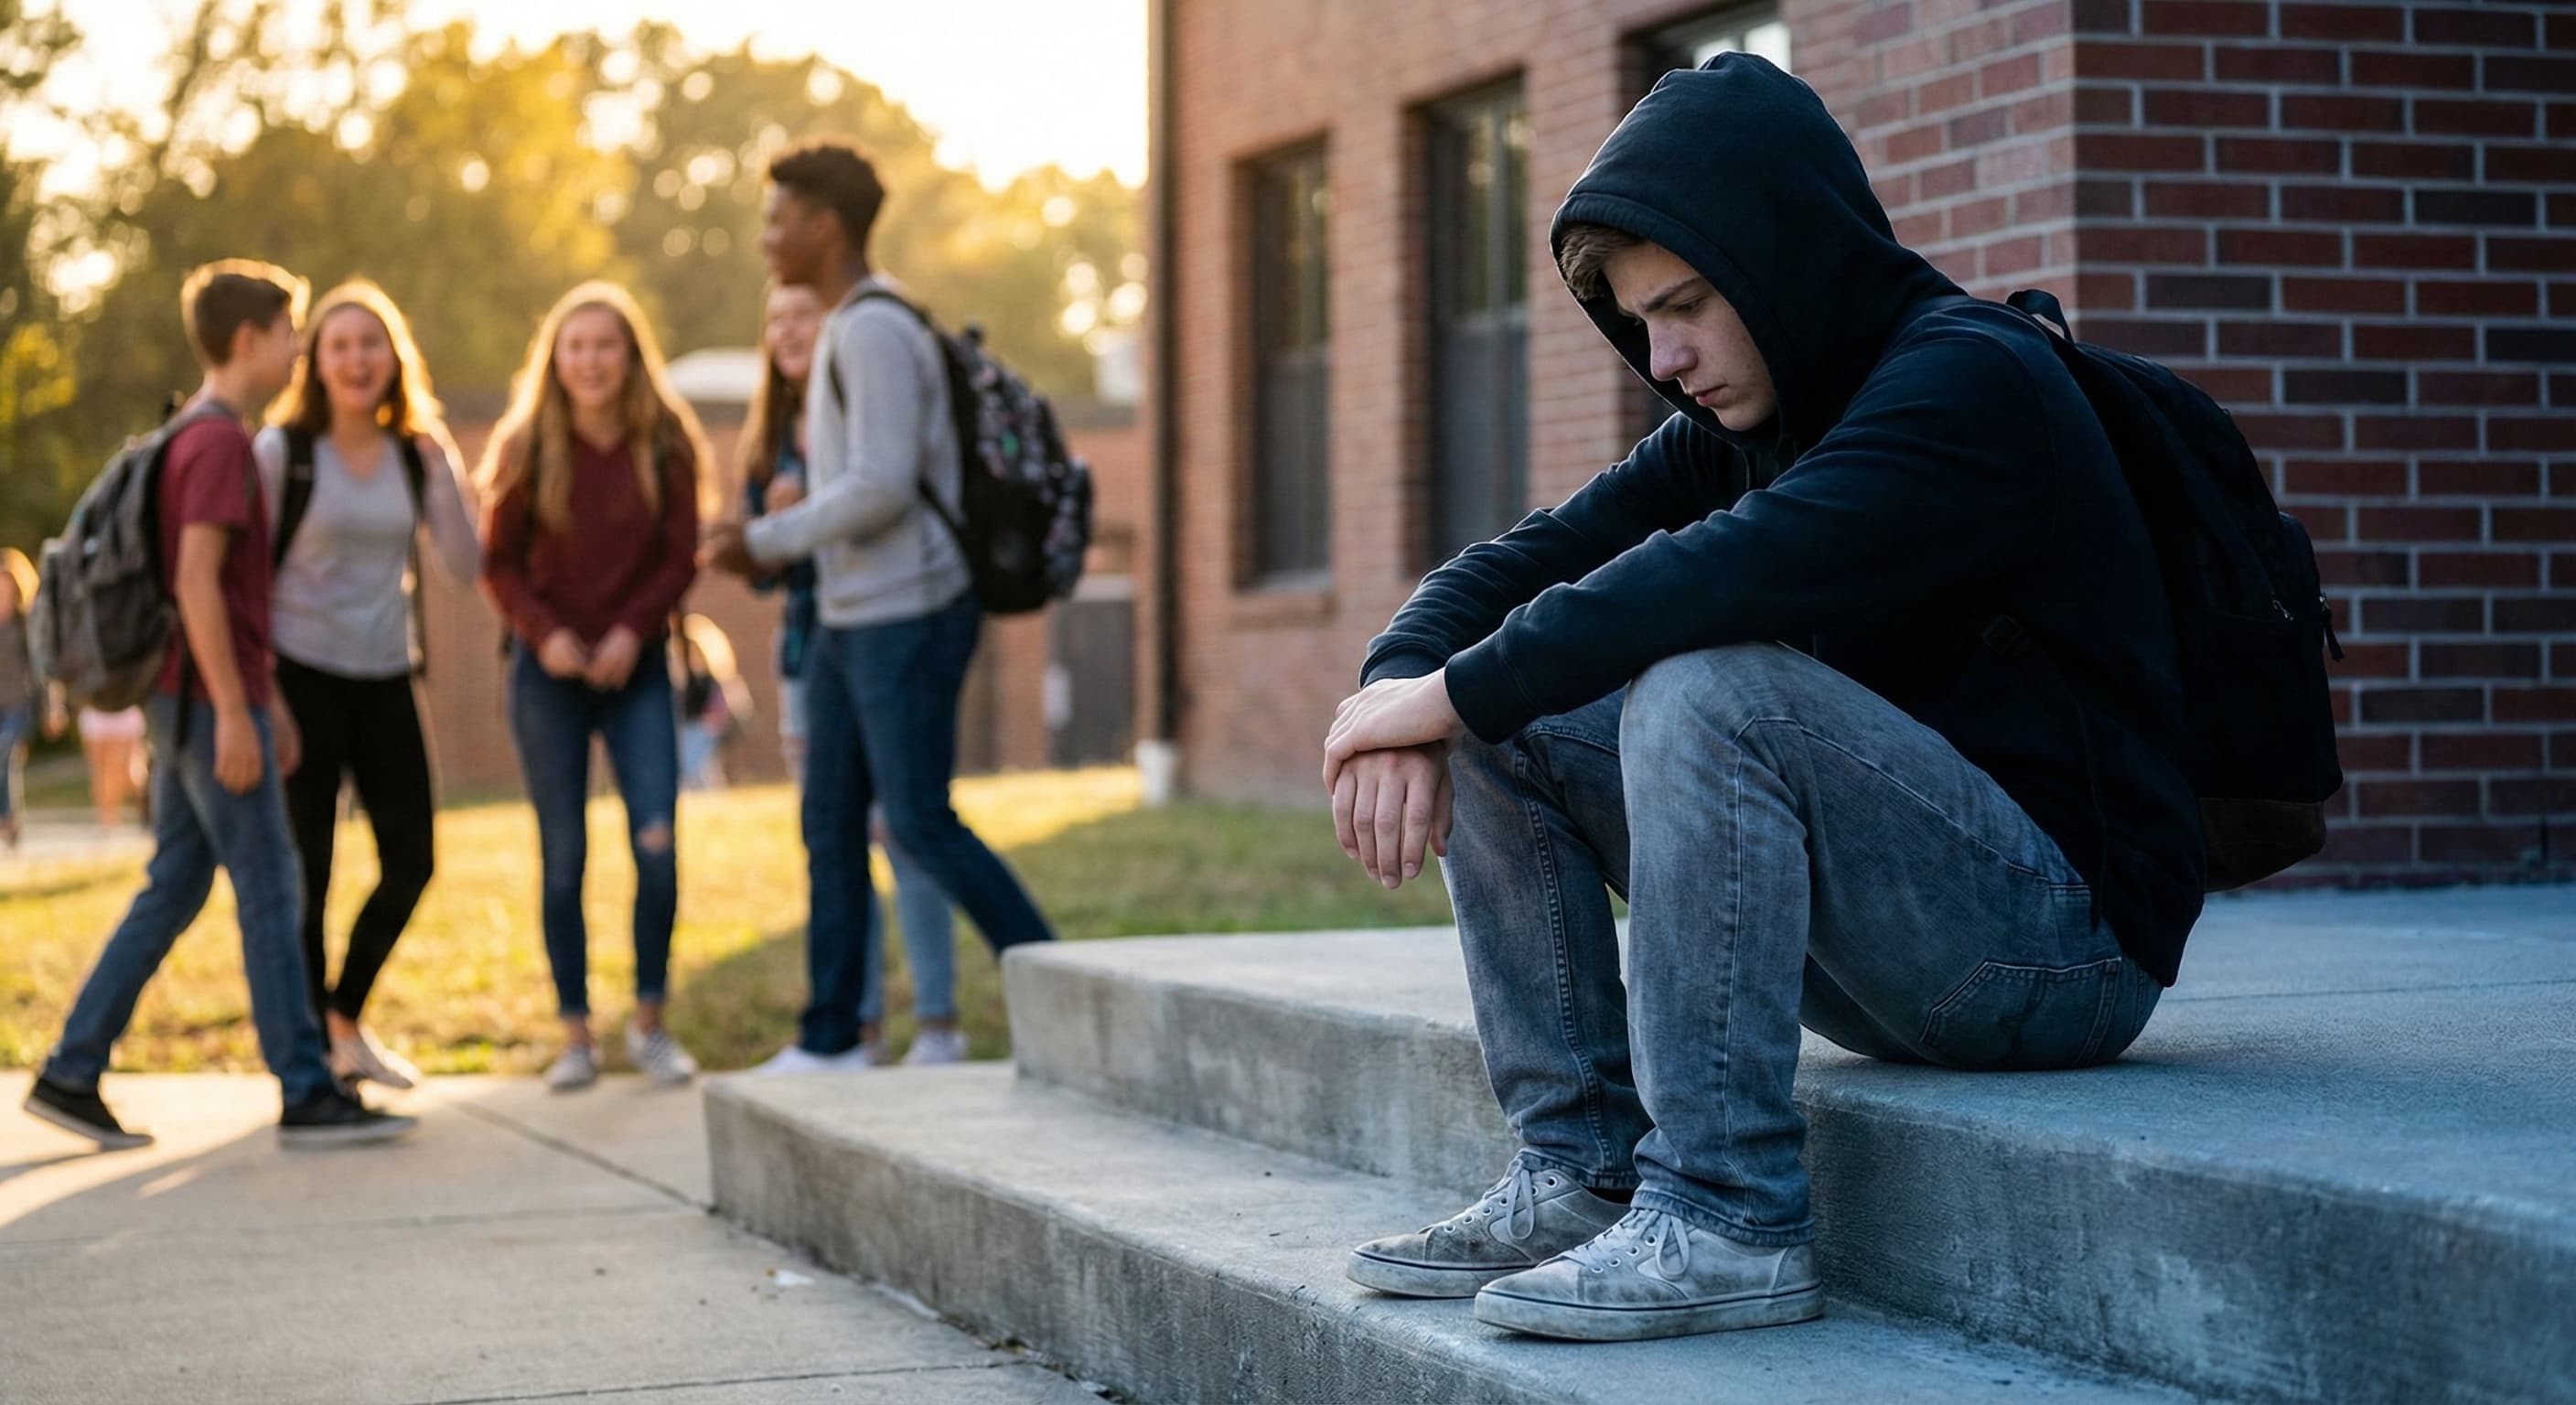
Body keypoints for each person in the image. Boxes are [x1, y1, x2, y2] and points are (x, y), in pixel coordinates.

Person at [1326, 56, 2198, 1343]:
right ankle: (1581, 1174)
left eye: (1685, 305)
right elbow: (1529, 558)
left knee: (1708, 683)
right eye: (1639, 325)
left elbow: (1713, 574)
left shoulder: (1971, 384)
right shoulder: (1753, 415)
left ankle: (1730, 1216)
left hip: (2062, 953)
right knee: (1506, 713)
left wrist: (1452, 690)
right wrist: (1398, 691)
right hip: (1895, 946)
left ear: (1784, 251)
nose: (1664, 357)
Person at [23, 259, 415, 1150]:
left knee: (174, 885)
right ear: (251, 340)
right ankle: (308, 1089)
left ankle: (71, 1070)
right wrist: (239, 711)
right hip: (204, 704)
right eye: (291, 335)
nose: (298, 353)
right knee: (272, 886)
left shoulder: (190, 436)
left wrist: (255, 695)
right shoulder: (219, 445)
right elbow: (200, 585)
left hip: (188, 698)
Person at [703, 138, 1054, 1074]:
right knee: (828, 825)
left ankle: (1066, 992)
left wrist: (764, 541)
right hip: (851, 619)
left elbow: (881, 485)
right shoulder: (846, 326)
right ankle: (829, 1040)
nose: (765, 237)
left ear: (823, 227)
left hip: (909, 613)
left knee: (919, 819)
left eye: (777, 219)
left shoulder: (872, 329)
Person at [480, 281, 709, 1093]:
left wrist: (629, 633)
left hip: (638, 669)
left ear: (630, 353)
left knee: (656, 848)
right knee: (564, 855)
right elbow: (498, 563)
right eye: (575, 346)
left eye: (605, 344)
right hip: (550, 678)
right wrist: (548, 638)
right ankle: (576, 1035)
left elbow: (681, 556)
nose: (591, 361)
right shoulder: (526, 445)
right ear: (556, 356)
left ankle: (650, 1024)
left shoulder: (667, 442)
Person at [257, 279, 482, 1091]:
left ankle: (344, 1015)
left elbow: (464, 566)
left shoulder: (412, 456)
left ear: (394, 358)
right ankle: (317, 1049)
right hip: (301, 678)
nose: (356, 358)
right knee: (308, 874)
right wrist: (266, 696)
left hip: (386, 676)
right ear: (315, 361)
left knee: (413, 860)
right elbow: (244, 583)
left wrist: (445, 463)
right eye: (339, 344)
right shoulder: (284, 452)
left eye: (371, 343)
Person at [732, 280, 962, 1067]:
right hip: (808, 659)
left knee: (904, 826)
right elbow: (760, 574)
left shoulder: (867, 402)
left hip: (886, 634)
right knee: (833, 837)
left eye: (804, 315)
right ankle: (855, 1026)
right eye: (775, 321)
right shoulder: (768, 440)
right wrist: (778, 522)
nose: (789, 331)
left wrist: (804, 516)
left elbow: (884, 495)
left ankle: (937, 1021)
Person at [0, 547, 43, 853]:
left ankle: (7, 818)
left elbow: (40, 669)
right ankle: (10, 818)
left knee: (1, 754)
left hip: (19, 703)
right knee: (4, 764)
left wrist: (51, 708)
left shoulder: (26, 624)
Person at [76, 704, 146, 832]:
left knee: (131, 771)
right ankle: (108, 822)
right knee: (101, 772)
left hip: (125, 709)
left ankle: (146, 813)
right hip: (98, 709)